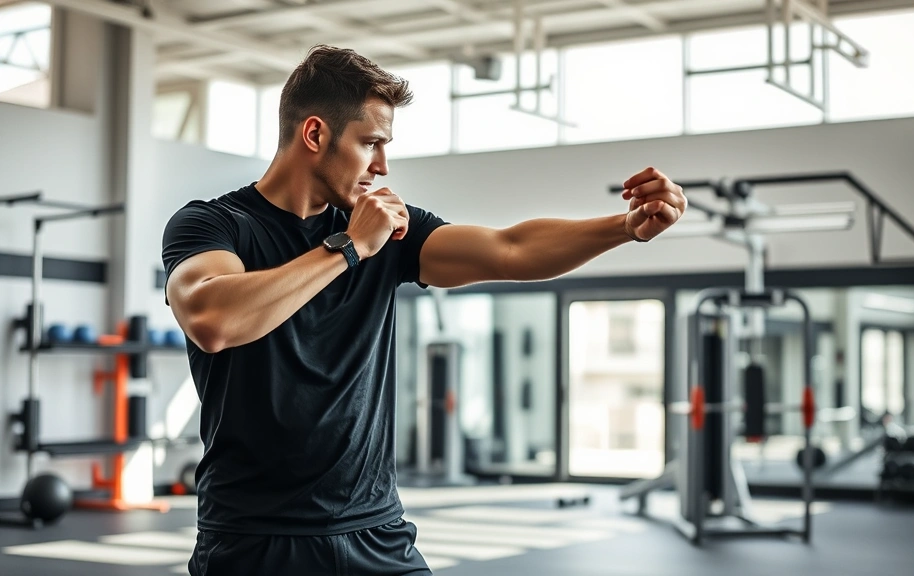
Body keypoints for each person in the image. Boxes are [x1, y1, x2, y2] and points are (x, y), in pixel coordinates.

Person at [162, 45, 687, 576]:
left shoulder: (387, 229)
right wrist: (350, 248)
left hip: (377, 532)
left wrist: (623, 227)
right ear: (315, 135)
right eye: (371, 144)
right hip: (256, 539)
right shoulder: (214, 224)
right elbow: (213, 320)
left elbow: (511, 249)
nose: (382, 166)